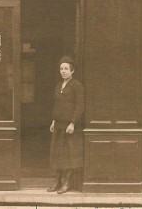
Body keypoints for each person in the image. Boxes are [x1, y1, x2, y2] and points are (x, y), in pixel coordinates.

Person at [47, 56, 84, 194]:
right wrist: (53, 121)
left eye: (66, 69)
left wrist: (73, 123)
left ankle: (66, 183)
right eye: (61, 69)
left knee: (68, 155)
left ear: (72, 70)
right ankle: (56, 182)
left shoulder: (77, 85)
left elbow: (80, 106)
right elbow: (57, 105)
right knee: (57, 154)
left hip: (69, 127)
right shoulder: (58, 85)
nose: (63, 71)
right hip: (58, 125)